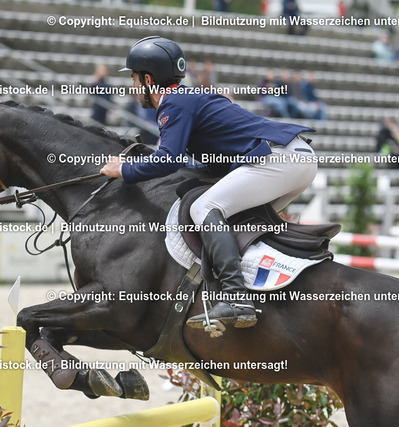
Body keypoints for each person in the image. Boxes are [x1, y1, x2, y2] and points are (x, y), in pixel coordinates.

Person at [100, 36, 317, 330]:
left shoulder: (173, 103)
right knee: (238, 222)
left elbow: (168, 159)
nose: (134, 86)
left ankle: (237, 298)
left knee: (205, 208)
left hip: (279, 159)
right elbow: (204, 163)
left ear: (149, 79)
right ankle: (257, 292)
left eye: (135, 79)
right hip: (295, 158)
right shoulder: (189, 98)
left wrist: (125, 169)